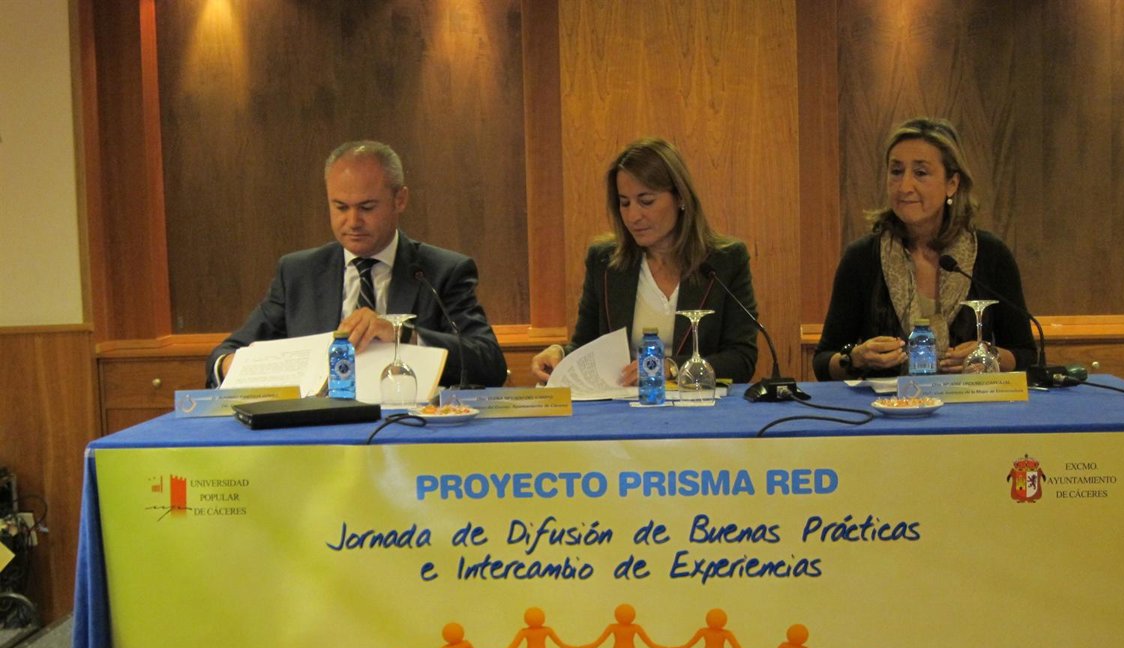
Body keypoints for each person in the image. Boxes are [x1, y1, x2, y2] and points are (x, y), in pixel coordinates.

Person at [206, 140, 508, 388]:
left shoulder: (441, 271)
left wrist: (403, 335)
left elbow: (489, 364)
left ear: (400, 200)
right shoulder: (298, 273)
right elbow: (224, 355)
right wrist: (234, 367)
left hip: (409, 427)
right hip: (315, 431)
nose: (352, 222)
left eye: (366, 207)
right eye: (340, 207)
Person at [813, 118, 1036, 380]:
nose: (905, 186)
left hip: (969, 403)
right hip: (889, 404)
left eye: (920, 173)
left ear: (952, 184)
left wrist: (990, 355)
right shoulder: (862, 258)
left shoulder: (991, 254)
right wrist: (856, 358)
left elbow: (1027, 356)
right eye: (896, 172)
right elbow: (823, 362)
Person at [530, 137, 759, 385]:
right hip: (624, 404)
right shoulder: (604, 262)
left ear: (680, 198)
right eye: (624, 203)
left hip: (698, 404)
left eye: (646, 201)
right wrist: (560, 354)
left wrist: (671, 368)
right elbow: (587, 345)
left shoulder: (725, 261)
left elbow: (741, 359)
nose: (633, 216)